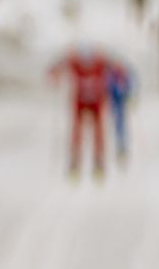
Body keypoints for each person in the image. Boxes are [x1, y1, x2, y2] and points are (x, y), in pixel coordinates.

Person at [49, 45, 116, 178]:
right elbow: (58, 66)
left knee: (98, 131)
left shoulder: (100, 62)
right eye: (84, 63)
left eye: (89, 63)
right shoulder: (75, 62)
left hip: (96, 102)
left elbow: (116, 68)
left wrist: (119, 81)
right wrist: (55, 74)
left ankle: (98, 160)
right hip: (79, 102)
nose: (87, 66)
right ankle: (75, 160)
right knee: (77, 131)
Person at [107, 59, 135, 162]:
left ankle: (122, 145)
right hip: (113, 102)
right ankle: (116, 146)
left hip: (121, 104)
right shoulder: (111, 76)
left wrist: (130, 97)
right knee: (115, 123)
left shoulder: (125, 76)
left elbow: (130, 87)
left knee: (121, 124)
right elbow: (108, 88)